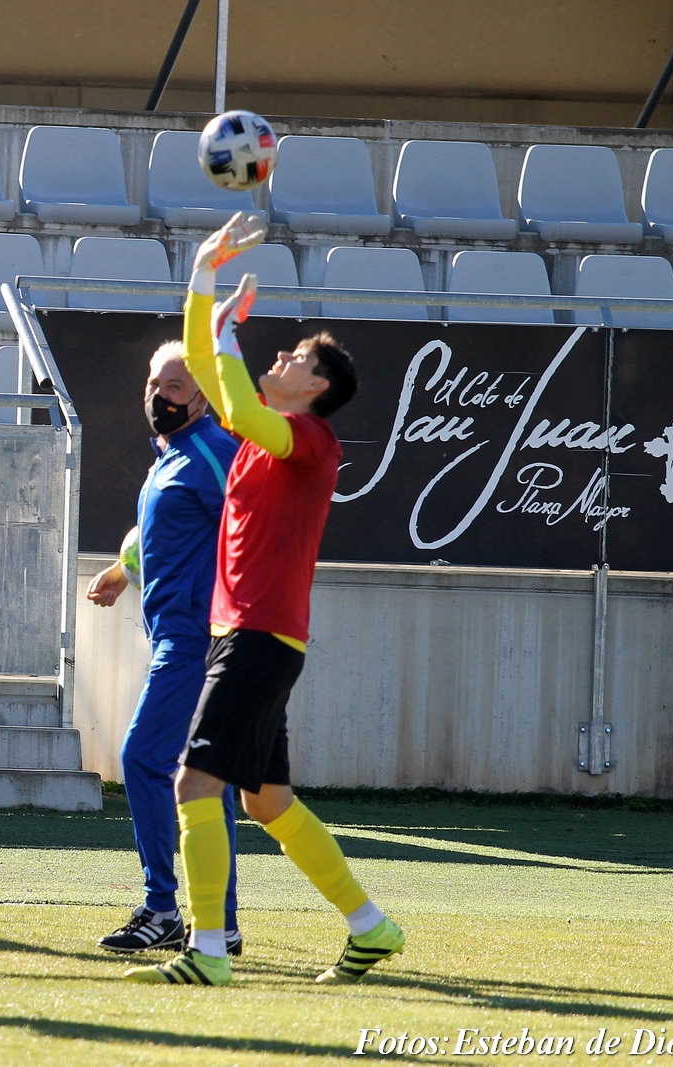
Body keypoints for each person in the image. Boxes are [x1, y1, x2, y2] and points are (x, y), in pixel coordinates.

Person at [127, 212, 404, 987]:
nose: (278, 358)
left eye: (294, 356)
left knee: (193, 783)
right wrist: (202, 277)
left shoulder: (307, 438)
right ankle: (371, 926)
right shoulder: (266, 432)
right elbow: (224, 384)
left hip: (256, 637)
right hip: (249, 636)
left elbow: (239, 400)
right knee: (268, 800)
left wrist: (224, 335)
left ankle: (208, 950)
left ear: (317, 385)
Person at [87, 341, 243, 957]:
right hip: (177, 634)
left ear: (204, 394)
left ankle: (163, 908)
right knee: (209, 780)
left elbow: (253, 529)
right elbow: (162, 529)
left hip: (198, 640)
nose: (159, 396)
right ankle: (220, 924)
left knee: (144, 759)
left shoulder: (211, 451)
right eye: (153, 383)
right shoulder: (171, 456)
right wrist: (125, 571)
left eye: (174, 387)